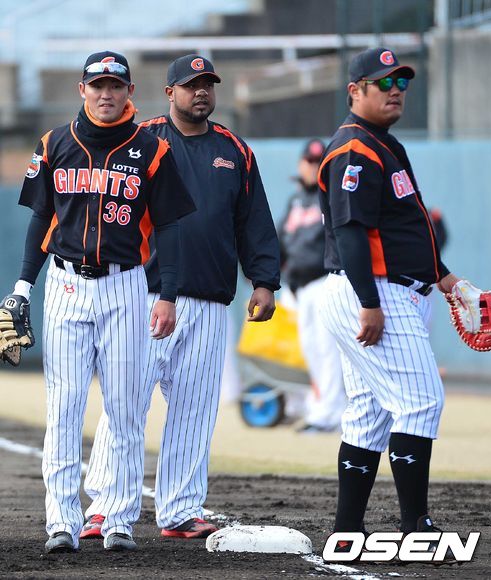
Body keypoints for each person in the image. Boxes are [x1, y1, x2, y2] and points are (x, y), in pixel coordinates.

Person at [81, 54, 280, 540]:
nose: (201, 91)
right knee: (126, 403)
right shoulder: (141, 140)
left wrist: (263, 280)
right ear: (170, 92)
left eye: (208, 83)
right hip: (145, 294)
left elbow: (253, 221)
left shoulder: (234, 150)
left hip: (210, 298)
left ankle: (180, 509)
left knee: (194, 409)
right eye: (191, 85)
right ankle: (105, 505)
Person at [3, 50, 195, 554]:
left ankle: (119, 518)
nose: (105, 93)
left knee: (125, 408)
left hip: (125, 285)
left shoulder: (151, 149)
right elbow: (40, 220)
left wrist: (168, 293)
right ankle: (61, 521)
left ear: (130, 91)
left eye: (114, 85)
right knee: (63, 408)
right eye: (97, 85)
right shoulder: (54, 144)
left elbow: (170, 228)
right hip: (66, 285)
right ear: (82, 90)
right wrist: (22, 286)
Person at [317, 47, 461, 558]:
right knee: (421, 403)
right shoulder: (355, 148)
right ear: (355, 90)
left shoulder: (384, 143)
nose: (396, 89)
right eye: (383, 82)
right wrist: (369, 301)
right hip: (374, 291)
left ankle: (348, 529)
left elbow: (407, 226)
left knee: (370, 413)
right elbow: (349, 231)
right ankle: (415, 524)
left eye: (401, 81)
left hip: (389, 288)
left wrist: (445, 278)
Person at [279, 139, 346, 433]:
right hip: (299, 288)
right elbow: (281, 241)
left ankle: (331, 413)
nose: (314, 166)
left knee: (328, 351)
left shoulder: (333, 196)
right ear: (301, 164)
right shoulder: (296, 201)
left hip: (324, 282)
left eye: (319, 162)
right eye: (310, 161)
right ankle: (324, 408)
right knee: (311, 351)